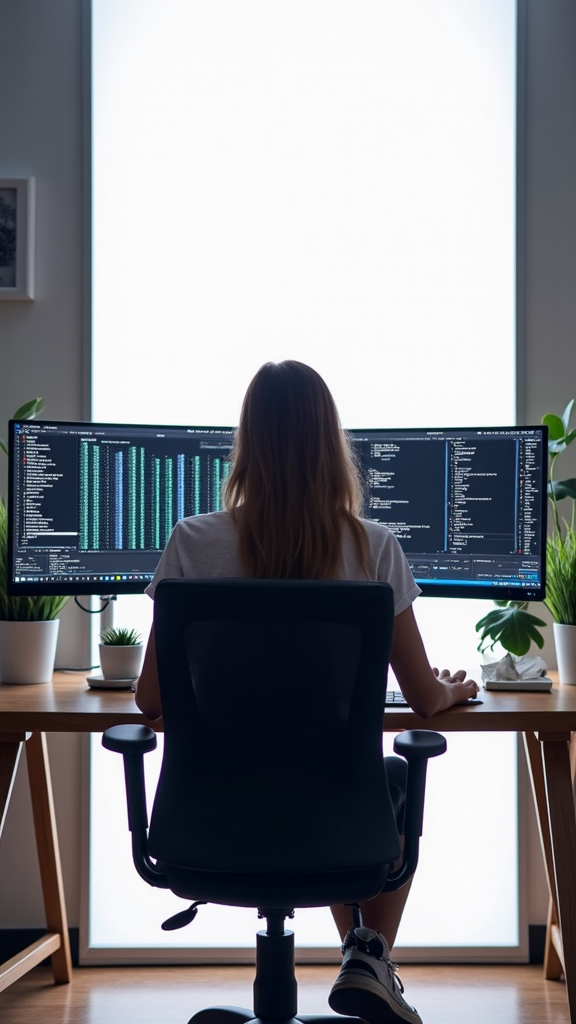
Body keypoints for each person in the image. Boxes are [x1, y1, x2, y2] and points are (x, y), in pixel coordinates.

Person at [136, 360, 479, 1024]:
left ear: (247, 444)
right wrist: (451, 689)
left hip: (209, 821)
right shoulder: (374, 547)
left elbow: (150, 702)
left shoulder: (192, 542)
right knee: (390, 779)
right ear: (332, 444)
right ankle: (368, 953)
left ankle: (366, 956)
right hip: (333, 822)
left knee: (362, 783)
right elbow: (423, 699)